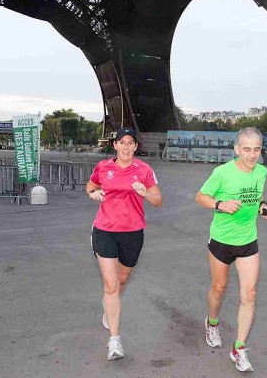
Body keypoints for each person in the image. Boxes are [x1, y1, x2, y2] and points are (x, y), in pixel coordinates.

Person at [195, 127, 267, 372]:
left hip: (248, 240)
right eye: (247, 149)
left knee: (249, 294)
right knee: (219, 288)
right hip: (221, 239)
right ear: (237, 149)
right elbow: (200, 196)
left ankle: (238, 348)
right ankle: (212, 322)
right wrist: (220, 204)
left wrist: (263, 206)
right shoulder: (222, 172)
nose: (252, 155)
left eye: (257, 149)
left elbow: (257, 197)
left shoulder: (262, 171)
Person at [86, 127, 162, 361]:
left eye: (131, 143)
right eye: (122, 142)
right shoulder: (103, 167)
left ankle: (109, 303)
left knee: (121, 281)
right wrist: (94, 193)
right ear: (115, 146)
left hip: (132, 233)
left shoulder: (145, 170)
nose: (126, 146)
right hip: (104, 231)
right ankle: (115, 341)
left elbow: (158, 201)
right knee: (111, 286)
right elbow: (90, 186)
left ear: (136, 147)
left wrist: (145, 193)